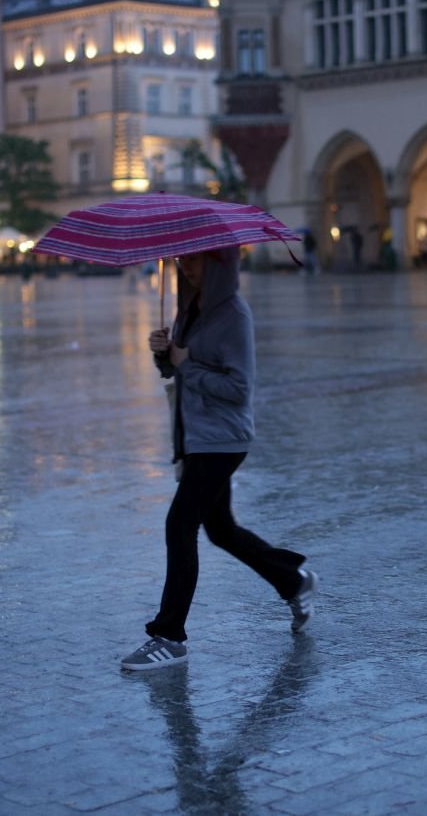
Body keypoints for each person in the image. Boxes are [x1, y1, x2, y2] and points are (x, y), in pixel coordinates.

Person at [125, 248, 318, 671]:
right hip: (196, 435)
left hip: (224, 438)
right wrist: (164, 353)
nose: (186, 266)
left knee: (180, 524)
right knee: (221, 529)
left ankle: (169, 636)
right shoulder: (189, 308)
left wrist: (184, 361)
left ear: (220, 263)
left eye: (196, 260)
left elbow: (238, 388)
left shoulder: (234, 314)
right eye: (183, 260)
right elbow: (175, 371)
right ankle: (293, 580)